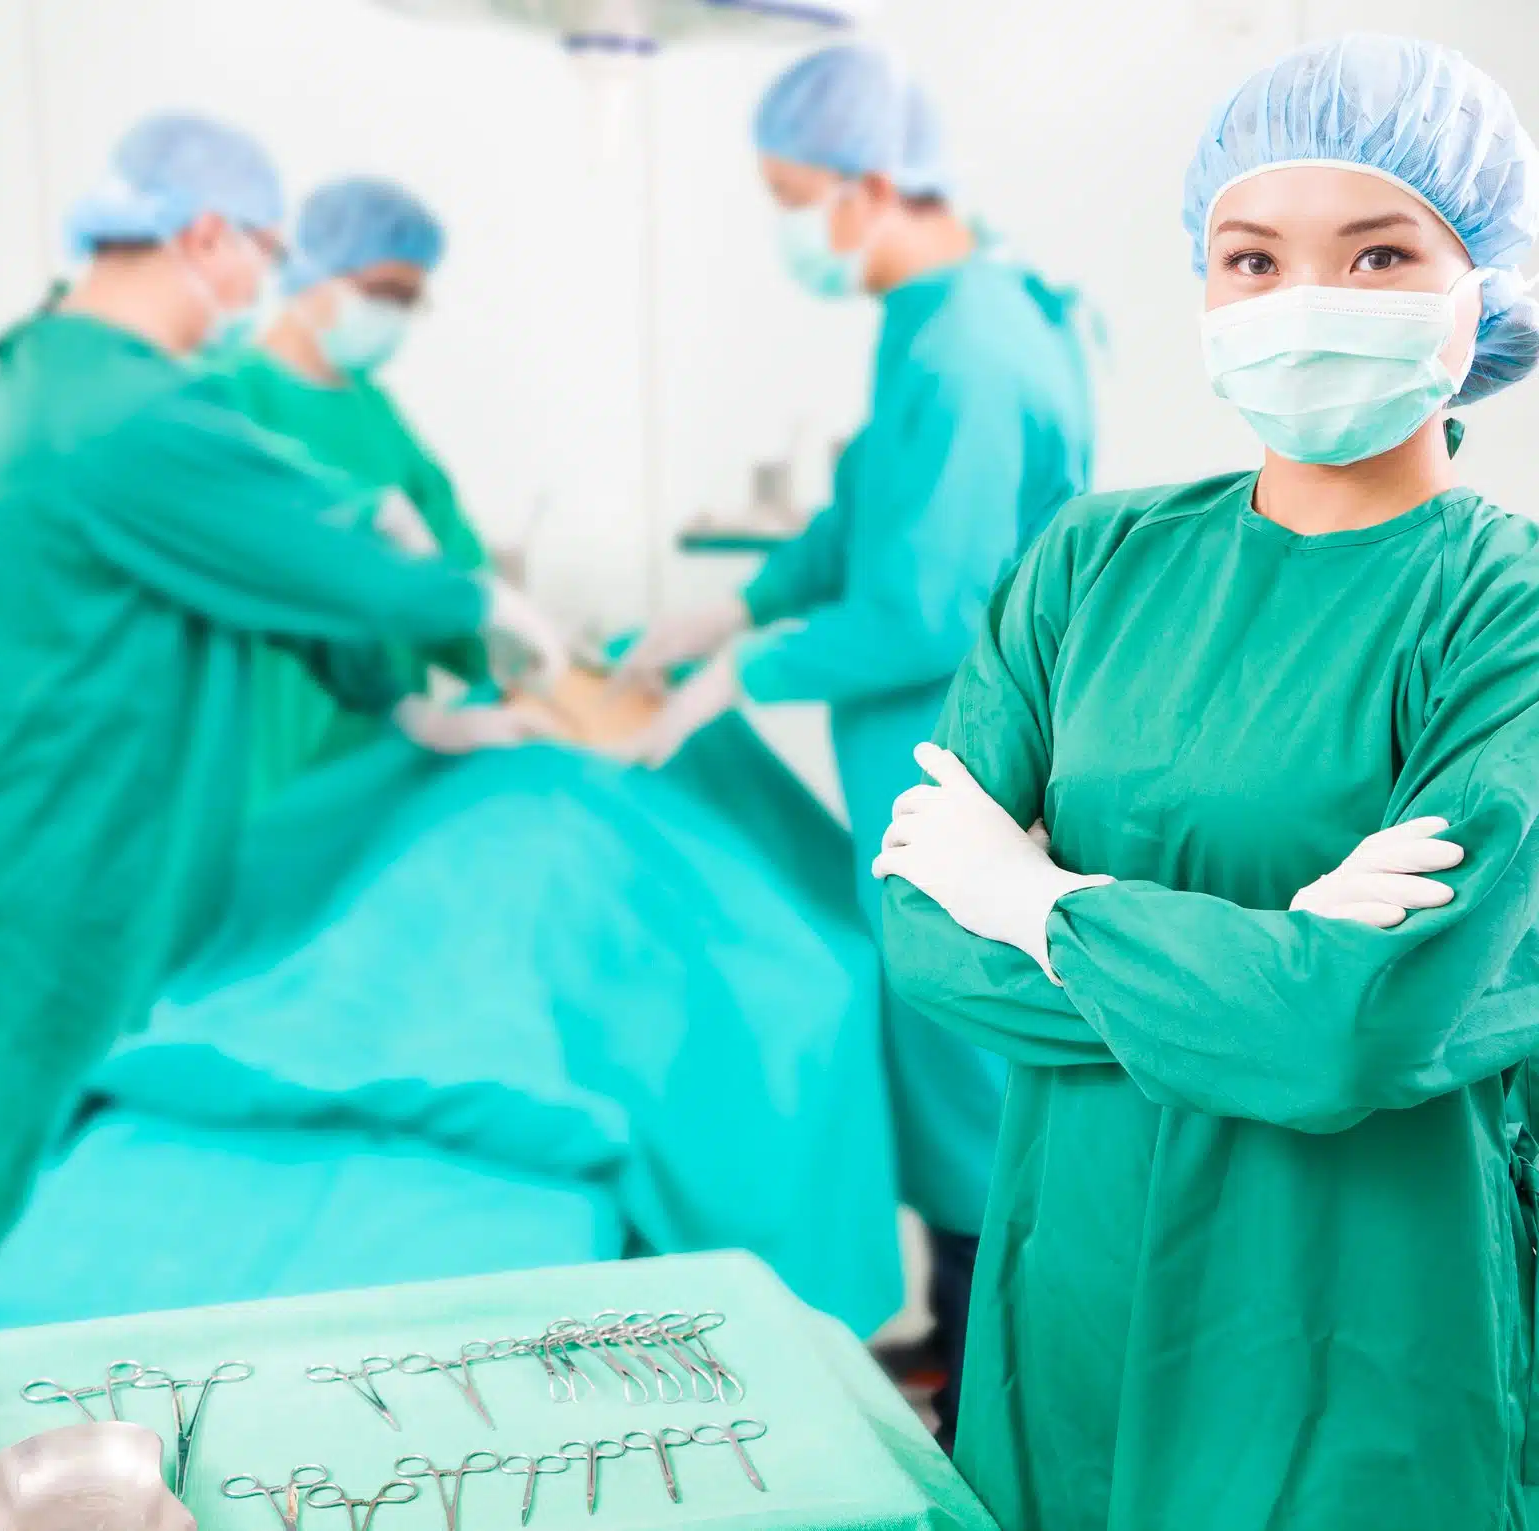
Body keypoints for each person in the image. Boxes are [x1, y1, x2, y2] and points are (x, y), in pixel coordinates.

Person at [875, 34, 1539, 1530]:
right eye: (1251, 256)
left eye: (1376, 254)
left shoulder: (1534, 614)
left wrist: (1036, 893)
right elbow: (917, 932)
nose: (1303, 302)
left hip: (1352, 1302)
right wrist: (1266, 963)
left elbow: (1357, 1027)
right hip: (1077, 1262)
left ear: (1481, 278)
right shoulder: (1093, 561)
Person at [0, 113, 561, 1260]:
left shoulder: (68, 369)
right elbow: (303, 557)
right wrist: (476, 605)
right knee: (56, 1180)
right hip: (77, 853)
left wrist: (399, 703)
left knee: (111, 1152)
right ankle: (21, 1413)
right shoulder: (119, 409)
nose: (263, 285)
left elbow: (235, 575)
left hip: (98, 819)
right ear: (209, 236)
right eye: (267, 256)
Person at [616, 42, 1098, 1437]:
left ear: (873, 186)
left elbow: (926, 599)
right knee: (939, 1033)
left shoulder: (969, 342)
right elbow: (861, 513)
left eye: (792, 195)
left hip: (960, 751)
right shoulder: (939, 309)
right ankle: (961, 1328)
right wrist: (730, 606)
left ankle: (989, 1355)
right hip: (918, 747)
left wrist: (744, 669)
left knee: (963, 1050)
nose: (788, 228)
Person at [211, 176, 507, 811]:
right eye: (383, 293)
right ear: (311, 274)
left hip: (393, 736)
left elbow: (450, 557)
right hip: (272, 738)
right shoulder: (229, 397)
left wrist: (514, 660)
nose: (395, 315)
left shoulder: (376, 413)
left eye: (411, 300)